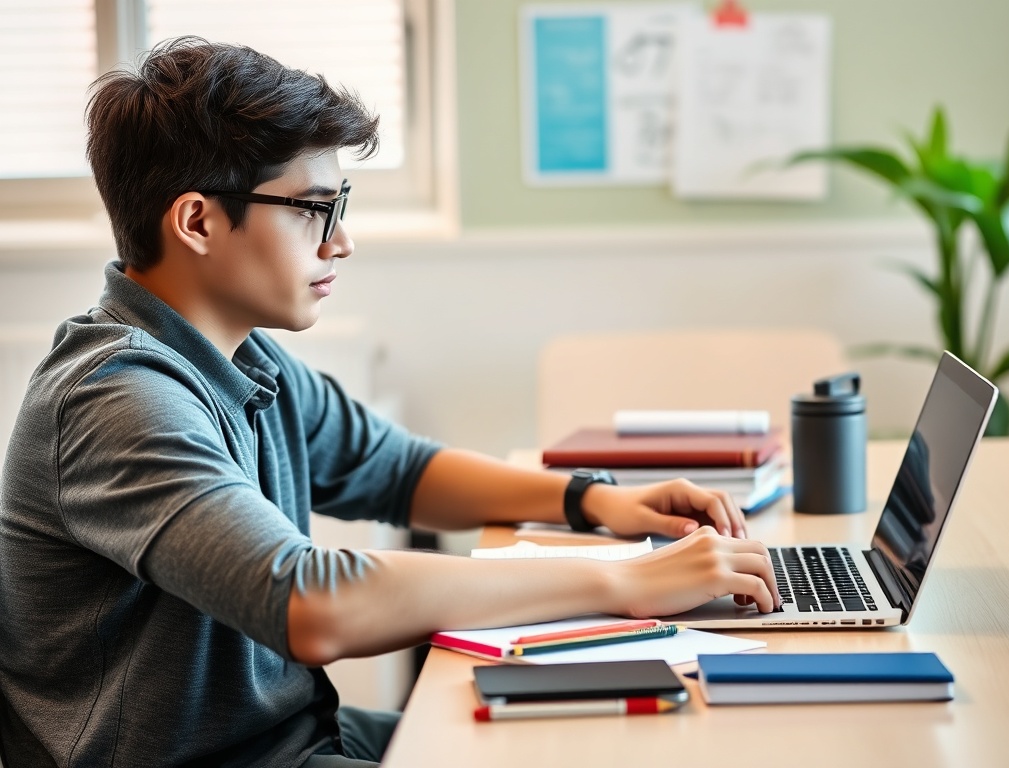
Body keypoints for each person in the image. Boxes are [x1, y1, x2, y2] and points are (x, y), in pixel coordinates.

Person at [0, 37, 779, 768]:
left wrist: (594, 502)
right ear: (198, 220)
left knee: (589, 738)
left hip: (290, 739)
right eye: (314, 210)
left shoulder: (243, 357)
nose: (340, 243)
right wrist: (626, 583)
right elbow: (312, 603)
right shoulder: (113, 398)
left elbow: (397, 470)